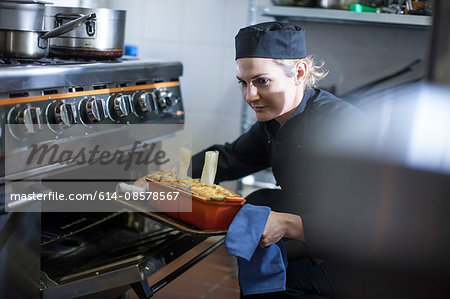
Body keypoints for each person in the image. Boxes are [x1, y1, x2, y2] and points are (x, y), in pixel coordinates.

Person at [191, 21, 364, 298]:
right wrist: (172, 178)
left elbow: (366, 219)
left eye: (262, 81)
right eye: (243, 83)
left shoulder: (340, 128)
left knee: (286, 284)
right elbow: (230, 158)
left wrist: (287, 224)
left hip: (368, 254)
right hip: (320, 233)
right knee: (261, 201)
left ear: (299, 72)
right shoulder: (273, 125)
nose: (250, 96)